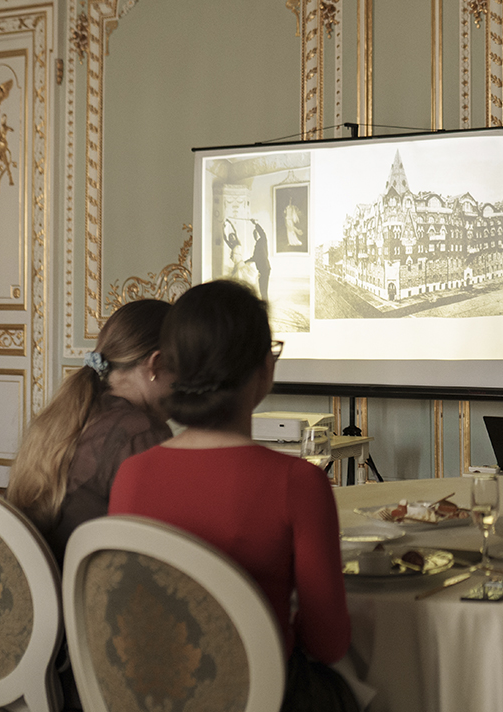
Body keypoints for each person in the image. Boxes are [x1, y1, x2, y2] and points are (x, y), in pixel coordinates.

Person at [109, 280, 356, 711]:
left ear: (171, 371)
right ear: (264, 370)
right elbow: (329, 643)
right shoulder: (298, 483)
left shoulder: (132, 476)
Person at [7, 299, 172, 564]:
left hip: (43, 596)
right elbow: (154, 556)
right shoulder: (142, 432)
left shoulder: (67, 415)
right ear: (157, 364)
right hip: (87, 598)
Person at [246, 219, 271, 300]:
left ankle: (265, 301)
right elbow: (254, 257)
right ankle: (264, 300)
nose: (255, 235)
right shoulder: (256, 245)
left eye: (256, 233)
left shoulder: (262, 241)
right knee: (262, 287)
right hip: (262, 269)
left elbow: (263, 233)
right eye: (254, 234)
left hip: (265, 268)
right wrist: (245, 261)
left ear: (258, 234)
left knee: (263, 287)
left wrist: (256, 224)